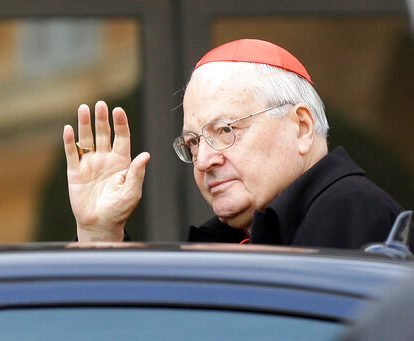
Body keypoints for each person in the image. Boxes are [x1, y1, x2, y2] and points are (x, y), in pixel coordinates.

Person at [63, 38, 403, 248]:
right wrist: (100, 234)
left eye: (225, 130)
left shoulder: (351, 210)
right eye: (194, 142)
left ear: (301, 127)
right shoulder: (235, 236)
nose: (203, 161)